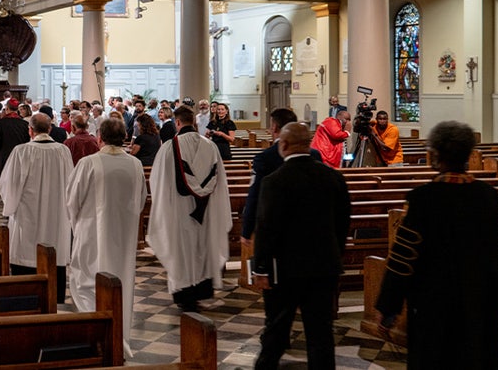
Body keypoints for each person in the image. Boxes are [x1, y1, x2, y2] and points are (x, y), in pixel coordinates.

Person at [375, 120, 498, 369]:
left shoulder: (423, 199)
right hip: (481, 305)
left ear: (436, 155)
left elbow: (403, 258)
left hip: (434, 306)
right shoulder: (488, 197)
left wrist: (388, 306)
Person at [252, 122, 351, 370]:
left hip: (285, 270)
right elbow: (342, 223)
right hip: (324, 267)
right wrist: (336, 255)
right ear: (308, 145)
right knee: (320, 334)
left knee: (276, 330)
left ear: (283, 145)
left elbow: (266, 228)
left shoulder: (274, 181)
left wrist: (260, 268)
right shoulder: (333, 177)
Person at [67, 117, 146, 359]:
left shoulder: (89, 163)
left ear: (99, 137)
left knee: (85, 281)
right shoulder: (135, 164)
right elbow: (141, 200)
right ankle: (117, 337)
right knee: (120, 283)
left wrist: (77, 223)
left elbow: (72, 200)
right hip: (123, 235)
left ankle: (98, 335)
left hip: (92, 232)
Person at [147, 105, 231, 312]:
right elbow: (220, 181)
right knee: (202, 246)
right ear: (194, 122)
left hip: (179, 208)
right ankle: (202, 290)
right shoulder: (210, 146)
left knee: (182, 250)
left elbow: (157, 181)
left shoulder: (169, 147)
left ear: (177, 122)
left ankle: (185, 294)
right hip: (206, 210)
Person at [0, 112, 72, 303]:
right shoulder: (63, 151)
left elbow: (10, 184)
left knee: (27, 251)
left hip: (27, 215)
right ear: (49, 129)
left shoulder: (21, 151)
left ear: (30, 130)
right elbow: (70, 184)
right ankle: (54, 301)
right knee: (53, 250)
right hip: (56, 215)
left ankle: (26, 300)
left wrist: (10, 207)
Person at [240, 108, 321, 249]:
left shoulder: (264, 158)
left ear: (274, 127)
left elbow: (255, 195)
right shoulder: (316, 156)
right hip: (313, 226)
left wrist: (247, 230)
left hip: (280, 229)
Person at [0, 99, 30, 186]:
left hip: (5, 157)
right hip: (21, 157)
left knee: (6, 185)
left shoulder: (0, 123)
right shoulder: (24, 124)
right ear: (17, 110)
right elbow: (27, 140)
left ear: (7, 108)